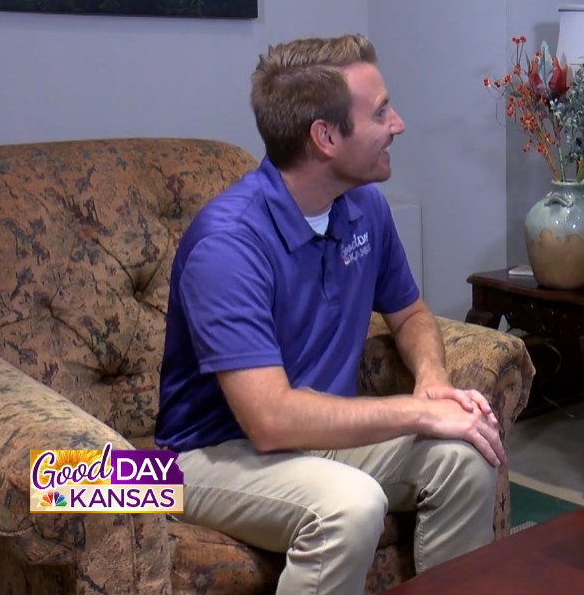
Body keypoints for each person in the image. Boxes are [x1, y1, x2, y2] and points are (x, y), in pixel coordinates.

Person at [154, 34, 505, 594]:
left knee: (466, 456)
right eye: (381, 112)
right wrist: (416, 415)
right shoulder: (228, 245)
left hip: (318, 432)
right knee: (350, 505)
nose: (399, 124)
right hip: (204, 457)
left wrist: (432, 383)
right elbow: (269, 422)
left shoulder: (364, 206)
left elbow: (410, 312)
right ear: (325, 137)